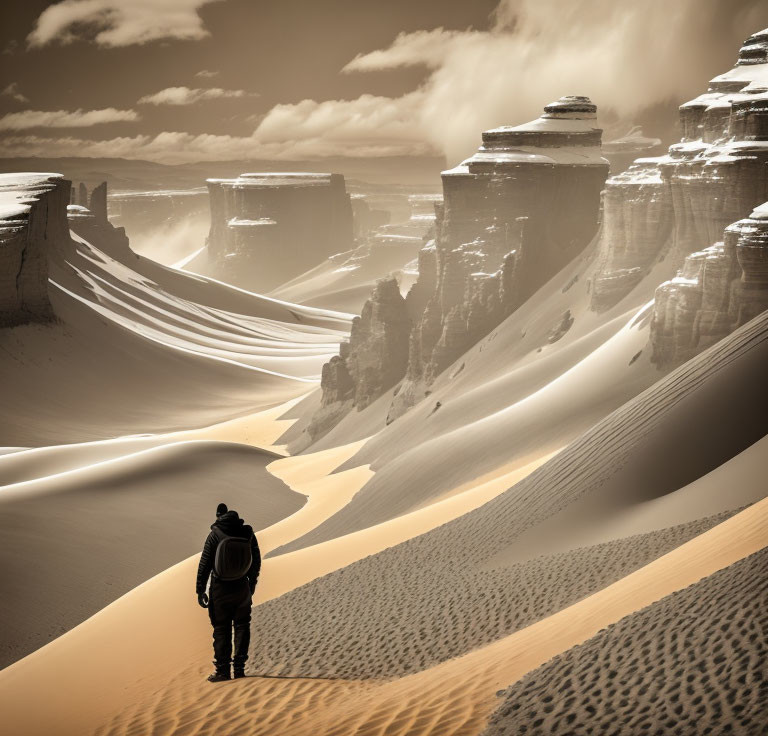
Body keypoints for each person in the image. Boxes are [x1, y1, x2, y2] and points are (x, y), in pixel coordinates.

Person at [196, 502, 261, 682]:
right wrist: (251, 584)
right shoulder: (247, 533)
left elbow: (205, 563)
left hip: (220, 588)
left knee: (221, 628)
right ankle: (239, 669)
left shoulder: (215, 535)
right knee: (242, 626)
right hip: (242, 587)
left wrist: (200, 590)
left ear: (218, 516)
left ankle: (223, 671)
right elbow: (256, 561)